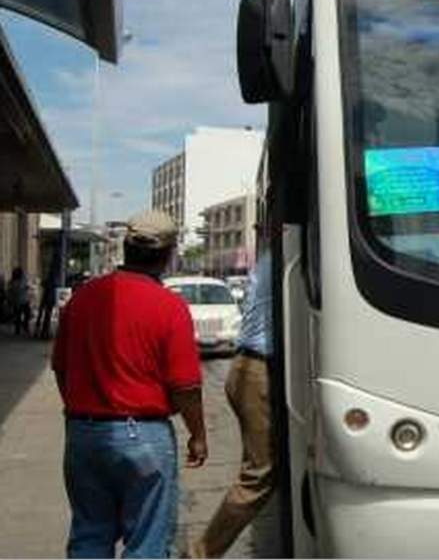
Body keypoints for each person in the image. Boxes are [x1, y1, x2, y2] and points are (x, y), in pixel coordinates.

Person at [52, 209, 208, 558]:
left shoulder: (83, 298)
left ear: (125, 248)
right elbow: (185, 386)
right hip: (144, 436)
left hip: (84, 433)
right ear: (168, 256)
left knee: (89, 536)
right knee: (147, 544)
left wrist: (79, 414)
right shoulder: (170, 307)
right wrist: (197, 435)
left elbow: (61, 369)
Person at [190, 235, 274, 558]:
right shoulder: (284, 261)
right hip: (258, 371)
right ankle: (200, 553)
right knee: (259, 476)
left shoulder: (268, 261)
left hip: (248, 367)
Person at [8, 267, 30, 335]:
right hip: (19, 301)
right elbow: (14, 290)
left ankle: (22, 328)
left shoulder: (21, 279)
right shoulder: (14, 281)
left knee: (24, 314)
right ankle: (20, 329)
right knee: (19, 315)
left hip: (22, 300)